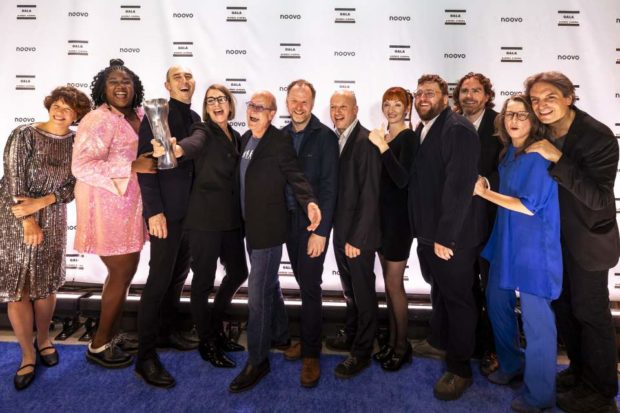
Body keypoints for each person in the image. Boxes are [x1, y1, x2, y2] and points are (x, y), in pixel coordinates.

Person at [525, 71, 620, 413]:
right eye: (535, 99)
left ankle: (602, 392)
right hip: (553, 240)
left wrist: (558, 159)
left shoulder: (599, 138)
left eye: (549, 97)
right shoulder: (542, 131)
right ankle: (581, 373)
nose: (541, 105)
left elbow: (597, 197)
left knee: (590, 313)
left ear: (568, 97)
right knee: (564, 309)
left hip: (588, 242)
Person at [228, 91, 321, 393]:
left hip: (269, 230)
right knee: (269, 285)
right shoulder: (244, 139)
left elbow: (296, 176)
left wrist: (309, 202)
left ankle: (258, 360)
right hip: (249, 228)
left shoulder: (278, 141)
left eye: (261, 108)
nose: (253, 111)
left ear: (271, 114)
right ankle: (280, 333)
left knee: (257, 294)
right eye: (251, 106)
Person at [0, 86, 91, 390]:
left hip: (52, 215)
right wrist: (27, 219)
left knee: (46, 282)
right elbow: (13, 180)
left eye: (69, 108)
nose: (60, 111)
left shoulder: (78, 142)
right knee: (20, 286)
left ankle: (44, 338)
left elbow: (73, 186)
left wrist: (44, 202)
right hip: (15, 215)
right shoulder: (23, 134)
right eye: (57, 105)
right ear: (49, 105)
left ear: (78, 115)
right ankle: (27, 354)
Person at [155, 84, 250, 371]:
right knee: (203, 281)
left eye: (221, 99)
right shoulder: (204, 130)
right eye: (211, 101)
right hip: (204, 220)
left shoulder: (237, 136)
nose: (217, 104)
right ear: (207, 108)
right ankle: (207, 341)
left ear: (230, 105)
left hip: (232, 220)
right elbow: (192, 144)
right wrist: (177, 148)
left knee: (239, 272)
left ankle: (215, 326)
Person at [476, 94, 561, 412]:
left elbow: (527, 206)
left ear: (534, 120)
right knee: (496, 300)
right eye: (509, 114)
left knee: (538, 321)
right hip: (506, 240)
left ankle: (540, 395)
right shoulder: (507, 152)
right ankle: (511, 364)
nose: (513, 120)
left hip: (533, 246)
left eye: (522, 115)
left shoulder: (538, 155)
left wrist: (486, 194)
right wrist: (489, 186)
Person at [72, 58, 156, 368]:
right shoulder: (98, 118)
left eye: (126, 82)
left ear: (135, 87)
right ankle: (98, 345)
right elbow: (81, 166)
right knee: (121, 273)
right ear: (102, 89)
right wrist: (132, 166)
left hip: (133, 205)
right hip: (107, 206)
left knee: (123, 274)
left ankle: (114, 333)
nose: (121, 87)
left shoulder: (139, 114)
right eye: (114, 82)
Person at [408, 74, 483, 400]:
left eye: (430, 93)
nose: (423, 98)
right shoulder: (426, 129)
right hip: (429, 235)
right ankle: (439, 341)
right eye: (419, 93)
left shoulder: (456, 129)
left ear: (445, 98)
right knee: (440, 293)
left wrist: (446, 237)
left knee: (458, 300)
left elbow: (459, 188)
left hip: (451, 238)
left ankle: (460, 368)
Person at [134, 65, 200, 388]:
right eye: (178, 77)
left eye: (188, 77)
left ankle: (166, 331)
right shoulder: (156, 114)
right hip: (166, 215)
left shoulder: (194, 117)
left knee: (177, 277)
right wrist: (154, 212)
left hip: (189, 215)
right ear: (166, 84)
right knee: (158, 282)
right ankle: (144, 357)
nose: (184, 81)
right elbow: (146, 166)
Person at [280, 79, 339, 388]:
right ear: (287, 102)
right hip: (286, 222)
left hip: (312, 227)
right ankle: (305, 339)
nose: (298, 106)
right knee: (303, 285)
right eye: (294, 101)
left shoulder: (325, 138)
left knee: (312, 287)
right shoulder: (281, 136)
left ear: (312, 104)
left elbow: (329, 189)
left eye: (304, 101)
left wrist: (322, 232)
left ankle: (312, 353)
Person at [327, 90, 382, 379]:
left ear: (356, 109)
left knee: (363, 292)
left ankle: (361, 351)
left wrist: (357, 239)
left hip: (358, 237)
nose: (337, 112)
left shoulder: (365, 141)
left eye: (343, 107)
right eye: (333, 107)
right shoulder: (336, 138)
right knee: (349, 291)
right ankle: (351, 333)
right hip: (341, 231)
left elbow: (371, 195)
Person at [452, 72, 502, 376]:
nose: (469, 95)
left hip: (489, 220)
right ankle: (468, 344)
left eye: (476, 91)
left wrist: (486, 182)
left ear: (486, 95)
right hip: (456, 224)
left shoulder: (499, 124)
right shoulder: (451, 121)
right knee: (464, 287)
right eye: (464, 90)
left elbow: (510, 165)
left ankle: (493, 348)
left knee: (492, 289)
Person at [367, 86, 416, 371]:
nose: (392, 109)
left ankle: (402, 346)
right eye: (387, 103)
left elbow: (402, 180)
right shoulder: (382, 136)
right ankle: (393, 341)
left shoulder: (408, 138)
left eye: (398, 104)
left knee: (395, 285)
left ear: (407, 108)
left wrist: (383, 147)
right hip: (381, 220)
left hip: (399, 222)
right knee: (387, 284)